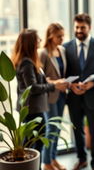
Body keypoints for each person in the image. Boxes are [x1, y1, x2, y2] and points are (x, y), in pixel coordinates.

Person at [12, 29, 68, 170]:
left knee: (32, 142)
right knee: (35, 143)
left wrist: (50, 83)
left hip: (33, 108)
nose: (40, 41)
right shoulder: (26, 63)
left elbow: (33, 84)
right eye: (37, 39)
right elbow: (33, 88)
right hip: (32, 109)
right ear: (31, 42)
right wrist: (53, 85)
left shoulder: (28, 60)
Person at [64, 13, 94, 170]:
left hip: (93, 96)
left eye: (82, 27)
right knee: (77, 131)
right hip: (74, 98)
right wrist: (71, 86)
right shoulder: (66, 47)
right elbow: (63, 73)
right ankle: (82, 159)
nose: (79, 30)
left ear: (89, 28)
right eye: (76, 27)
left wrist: (92, 83)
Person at [39, 23, 67, 170]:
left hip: (62, 95)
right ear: (50, 36)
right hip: (49, 97)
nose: (62, 39)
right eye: (59, 36)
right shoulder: (43, 53)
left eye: (63, 35)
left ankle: (53, 159)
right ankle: (46, 163)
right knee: (51, 129)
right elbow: (40, 79)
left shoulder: (62, 50)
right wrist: (57, 82)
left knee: (57, 128)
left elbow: (63, 73)